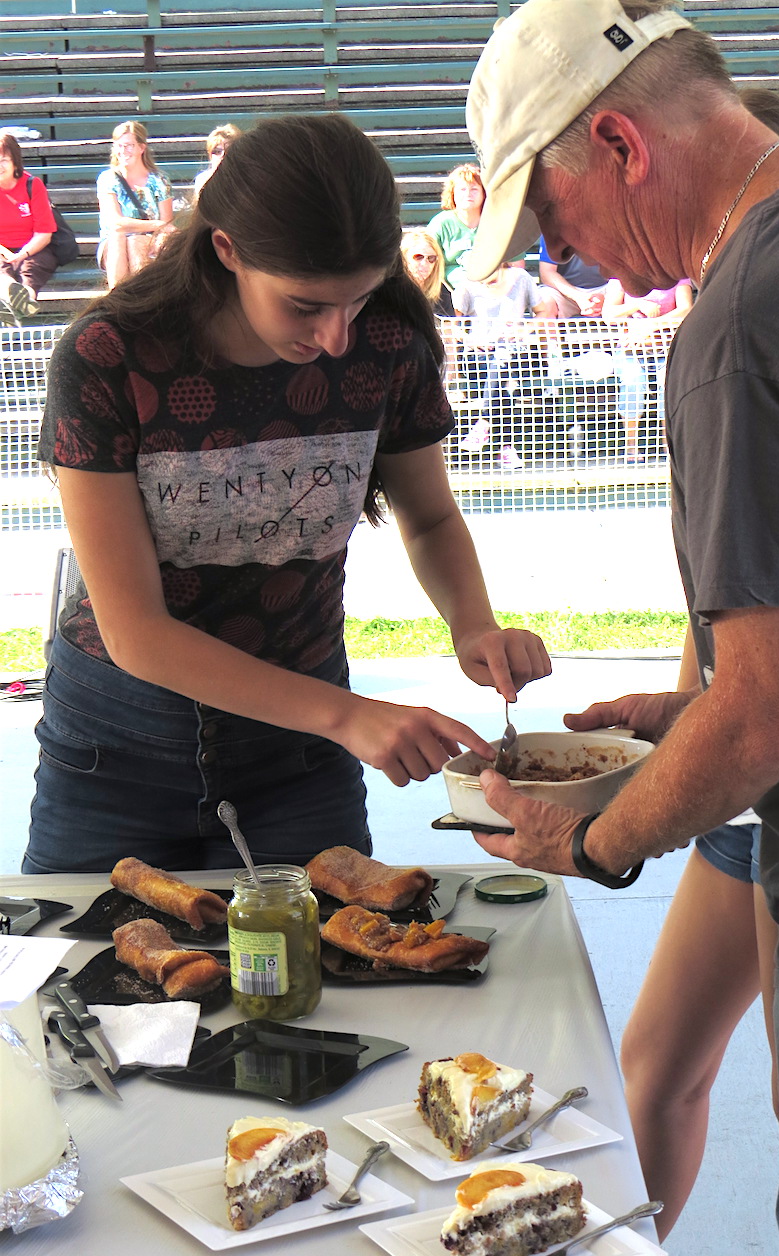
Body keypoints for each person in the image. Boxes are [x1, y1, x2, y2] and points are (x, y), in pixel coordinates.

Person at [463, 3, 779, 1256]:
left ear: (616, 142)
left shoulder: (747, 316)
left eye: (553, 222)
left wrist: (596, 832)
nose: (569, 265)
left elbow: (776, 710)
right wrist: (690, 704)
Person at [25, 113, 550, 876]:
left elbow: (430, 516)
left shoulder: (388, 346)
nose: (337, 337)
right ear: (228, 250)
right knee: (84, 981)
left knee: (336, 978)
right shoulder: (109, 357)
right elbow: (136, 631)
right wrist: (348, 716)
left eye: (361, 300)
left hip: (295, 762)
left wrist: (473, 625)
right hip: (117, 751)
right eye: (306, 306)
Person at [619, 86, 779, 1243]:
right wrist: (682, 708)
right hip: (753, 772)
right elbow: (721, 602)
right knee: (658, 1057)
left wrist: (607, 832)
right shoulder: (729, 324)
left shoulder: (778, 320)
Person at [453, 261, 553, 468]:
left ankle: (484, 423)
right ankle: (506, 449)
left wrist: (522, 330)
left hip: (515, 352)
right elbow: (454, 327)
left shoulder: (521, 278)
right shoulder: (467, 283)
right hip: (479, 356)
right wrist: (473, 341)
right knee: (507, 385)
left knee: (504, 360)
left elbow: (542, 313)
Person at [602, 276, 693, 461]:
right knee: (634, 381)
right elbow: (608, 314)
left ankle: (668, 446)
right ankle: (631, 447)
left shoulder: (677, 275)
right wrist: (638, 305)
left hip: (666, 348)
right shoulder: (621, 275)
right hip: (629, 350)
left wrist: (652, 325)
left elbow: (685, 310)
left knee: (666, 383)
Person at [97, 120, 174, 288]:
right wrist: (156, 224)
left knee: (135, 242)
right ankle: (117, 296)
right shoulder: (107, 179)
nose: (123, 151)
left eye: (129, 145)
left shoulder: (159, 180)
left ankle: (140, 298)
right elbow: (116, 223)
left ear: (141, 148)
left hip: (147, 240)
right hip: (113, 243)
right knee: (119, 236)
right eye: (118, 146)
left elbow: (167, 223)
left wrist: (158, 234)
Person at [427, 163, 527, 290]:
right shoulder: (441, 223)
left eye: (474, 189)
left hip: (496, 289)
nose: (468, 194)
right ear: (452, 194)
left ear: (484, 194)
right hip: (453, 293)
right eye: (462, 189)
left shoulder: (499, 223)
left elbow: (517, 265)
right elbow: (427, 262)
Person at [0, 132, 54, 321]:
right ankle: (11, 301)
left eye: (4, 160)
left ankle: (24, 300)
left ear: (15, 160)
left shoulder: (33, 184)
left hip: (34, 248)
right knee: (2, 269)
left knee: (30, 270)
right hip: (1, 250)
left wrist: (20, 255)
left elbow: (44, 234)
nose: (0, 166)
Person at [537, 235, 606, 318]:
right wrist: (579, 297)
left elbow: (621, 270)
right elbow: (547, 273)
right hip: (565, 292)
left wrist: (611, 295)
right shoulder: (553, 228)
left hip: (608, 289)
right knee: (545, 305)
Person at [399, 229, 453, 316]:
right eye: (418, 257)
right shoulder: (391, 290)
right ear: (404, 258)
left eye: (431, 258)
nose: (424, 264)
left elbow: (448, 327)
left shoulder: (441, 292)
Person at [193, 122, 242, 200]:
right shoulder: (202, 180)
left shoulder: (246, 180)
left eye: (228, 151)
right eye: (217, 151)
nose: (222, 156)